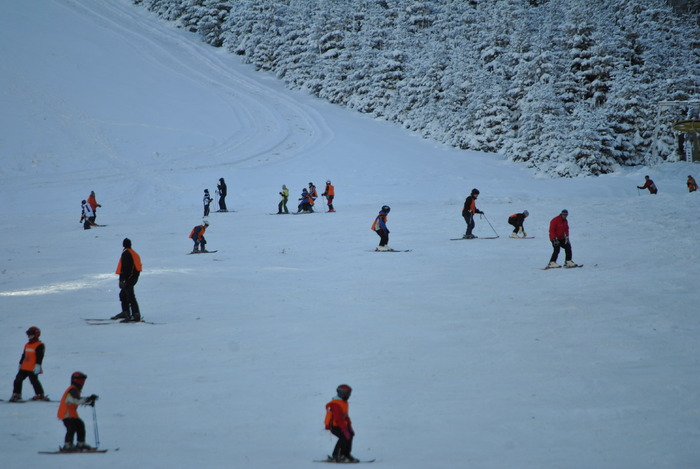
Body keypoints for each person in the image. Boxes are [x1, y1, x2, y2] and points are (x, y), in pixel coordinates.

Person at [57, 372, 98, 452]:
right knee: (71, 428)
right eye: (81, 380)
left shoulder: (75, 389)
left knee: (80, 425)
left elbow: (77, 400)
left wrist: (88, 401)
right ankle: (68, 445)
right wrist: (88, 400)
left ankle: (80, 443)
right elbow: (75, 400)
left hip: (71, 414)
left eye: (83, 380)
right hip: (66, 414)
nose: (82, 382)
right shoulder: (72, 390)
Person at [9, 327, 47, 402]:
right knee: (17, 380)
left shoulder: (39, 345)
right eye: (29, 335)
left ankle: (40, 395)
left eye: (31, 335)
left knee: (34, 381)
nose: (29, 336)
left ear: (36, 335)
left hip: (32, 367)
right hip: (24, 367)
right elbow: (24, 355)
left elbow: (40, 356)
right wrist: (20, 363)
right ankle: (16, 395)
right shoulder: (27, 344)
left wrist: (38, 365)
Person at [324, 384, 357, 463]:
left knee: (350, 435)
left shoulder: (343, 402)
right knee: (344, 437)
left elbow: (345, 416)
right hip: (335, 426)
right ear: (342, 393)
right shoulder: (336, 404)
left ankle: (346, 454)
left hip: (342, 425)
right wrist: (344, 430)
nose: (349, 395)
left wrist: (349, 426)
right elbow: (338, 419)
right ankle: (337, 455)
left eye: (349, 393)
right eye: (348, 393)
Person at [112, 238, 142, 322]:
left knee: (130, 296)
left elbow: (125, 268)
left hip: (129, 278)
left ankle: (135, 315)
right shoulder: (133, 253)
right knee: (123, 295)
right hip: (134, 277)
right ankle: (126, 312)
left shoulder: (126, 253)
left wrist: (123, 279)